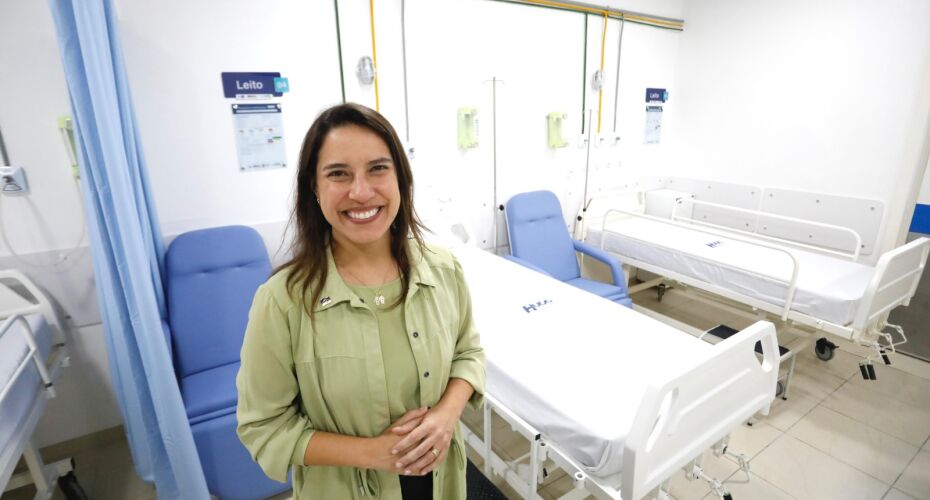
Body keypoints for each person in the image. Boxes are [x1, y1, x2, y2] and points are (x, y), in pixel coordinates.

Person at [236, 103, 485, 499]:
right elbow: (264, 428)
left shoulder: (443, 270)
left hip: (441, 482)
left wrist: (446, 414)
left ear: (401, 179)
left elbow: (469, 353)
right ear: (314, 189)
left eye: (378, 169)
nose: (361, 191)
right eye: (338, 174)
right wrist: (372, 453)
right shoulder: (282, 302)